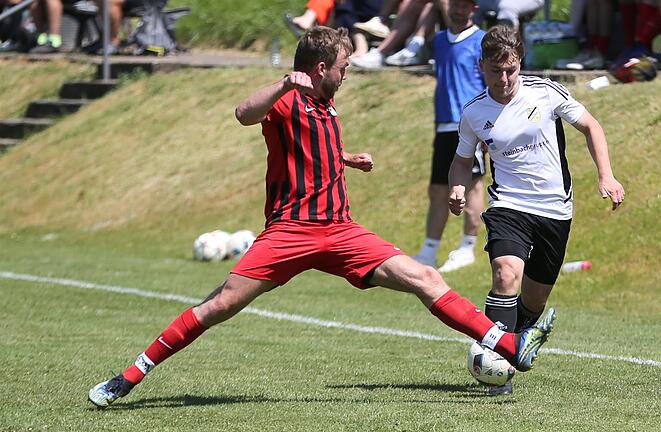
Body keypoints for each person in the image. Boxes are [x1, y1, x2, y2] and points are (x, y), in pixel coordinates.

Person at [87, 25, 554, 408]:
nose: (348, 72)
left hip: (340, 232)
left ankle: (507, 345)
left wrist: (346, 158)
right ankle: (129, 376)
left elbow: (311, 151)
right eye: (344, 66)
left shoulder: (326, 105)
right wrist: (282, 83)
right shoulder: (289, 98)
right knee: (219, 306)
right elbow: (242, 114)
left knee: (424, 276)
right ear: (319, 67)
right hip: (289, 233)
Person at [448, 25, 624, 393]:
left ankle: (519, 336)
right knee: (505, 273)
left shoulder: (545, 92)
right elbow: (461, 160)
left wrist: (606, 175)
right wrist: (458, 186)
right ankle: (499, 369)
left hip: (555, 210)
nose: (504, 78)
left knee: (533, 300)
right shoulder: (474, 112)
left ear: (520, 63)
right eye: (495, 70)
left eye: (511, 69)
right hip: (509, 204)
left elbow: (591, 126)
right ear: (481, 66)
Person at [412, 0, 487, 272]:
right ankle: (429, 251)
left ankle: (467, 247)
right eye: (455, 4)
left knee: (472, 186)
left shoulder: (481, 41)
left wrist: (485, 128)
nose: (458, 10)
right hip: (443, 124)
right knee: (438, 190)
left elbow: (488, 85)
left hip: (469, 125)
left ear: (474, 9)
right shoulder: (440, 40)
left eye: (464, 6)